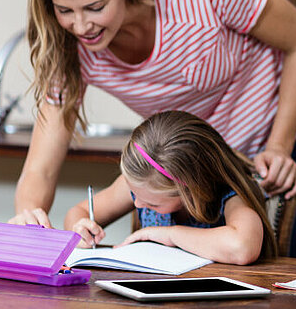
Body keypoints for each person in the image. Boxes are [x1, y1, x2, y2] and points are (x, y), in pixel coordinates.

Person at [11, 0, 296, 258]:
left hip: (277, 148)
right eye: (64, 10)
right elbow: (40, 166)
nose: (81, 25)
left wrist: (279, 147)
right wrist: (29, 216)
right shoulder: (68, 44)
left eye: (95, 7)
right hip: (182, 173)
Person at [64, 111, 277, 264]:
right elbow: (77, 212)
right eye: (134, 194)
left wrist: (170, 235)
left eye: (152, 203)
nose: (137, 203)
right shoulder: (140, 185)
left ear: (191, 190)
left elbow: (242, 248)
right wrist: (80, 228)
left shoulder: (229, 197)